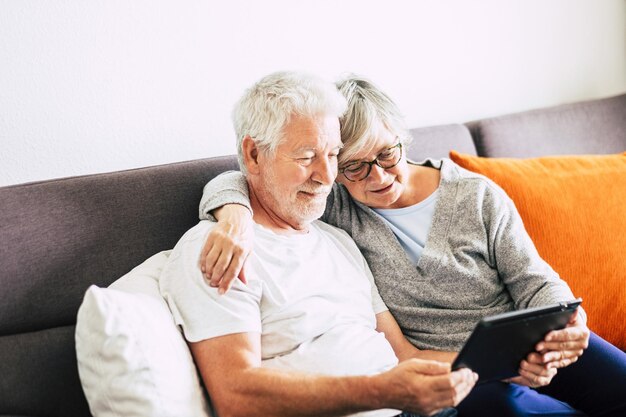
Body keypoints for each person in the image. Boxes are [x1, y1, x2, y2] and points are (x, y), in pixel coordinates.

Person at [198, 75, 626, 416]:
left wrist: (565, 325)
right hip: (459, 372)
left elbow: (535, 280)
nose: (378, 178)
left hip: (531, 345)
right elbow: (244, 177)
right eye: (354, 166)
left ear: (404, 138)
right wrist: (232, 213)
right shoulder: (336, 204)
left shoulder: (475, 196)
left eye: (387, 155)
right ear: (335, 166)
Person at [159, 71, 477, 417]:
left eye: (333, 155)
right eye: (307, 156)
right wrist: (383, 391)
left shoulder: (339, 240)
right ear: (253, 155)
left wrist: (505, 364)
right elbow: (237, 397)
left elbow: (405, 355)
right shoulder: (221, 248)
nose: (327, 177)